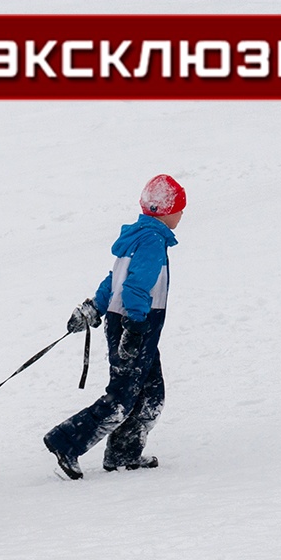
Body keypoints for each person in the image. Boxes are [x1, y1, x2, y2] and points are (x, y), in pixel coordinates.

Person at [43, 174, 186, 480]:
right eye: (179, 209)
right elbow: (134, 287)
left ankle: (123, 452)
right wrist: (134, 328)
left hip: (132, 325)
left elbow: (115, 281)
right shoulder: (151, 241)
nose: (182, 214)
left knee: (151, 395)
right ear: (165, 211)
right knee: (122, 398)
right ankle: (66, 442)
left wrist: (94, 306)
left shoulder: (138, 237)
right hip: (135, 326)